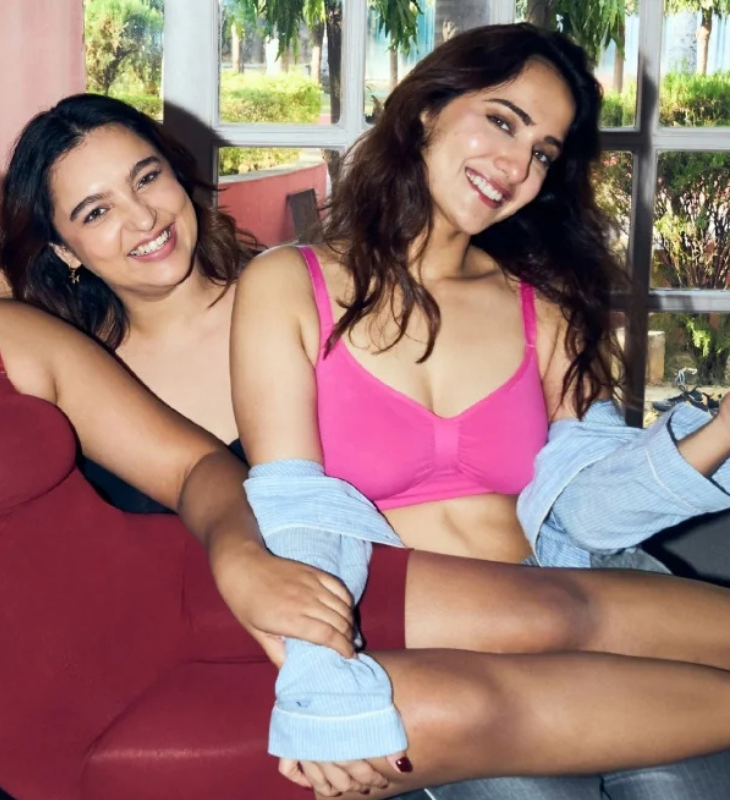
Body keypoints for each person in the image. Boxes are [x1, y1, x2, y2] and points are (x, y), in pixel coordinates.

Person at [0, 82, 730, 800]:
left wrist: (242, 558)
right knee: (471, 709)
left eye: (147, 179)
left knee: (544, 609)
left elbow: (196, 465)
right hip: (98, 730)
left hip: (209, 587)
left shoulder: (5, 334)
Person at [0, 86, 730, 798]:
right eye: (96, 210)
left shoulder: (302, 290)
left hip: (484, 598)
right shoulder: (74, 383)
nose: (143, 216)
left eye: (147, 177)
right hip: (317, 653)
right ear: (63, 247)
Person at [227, 24, 730, 797]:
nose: (517, 166)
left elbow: (590, 511)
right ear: (429, 108)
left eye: (543, 153)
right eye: (502, 120)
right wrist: (319, 679)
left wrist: (725, 428)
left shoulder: (543, 305)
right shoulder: (288, 285)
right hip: (435, 631)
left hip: (579, 590)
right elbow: (296, 507)